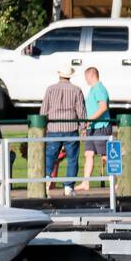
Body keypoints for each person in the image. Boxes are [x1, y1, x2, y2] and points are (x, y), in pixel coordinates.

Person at [41, 65, 85, 196]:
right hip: (70, 127)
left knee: (50, 156)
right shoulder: (76, 90)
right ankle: (68, 187)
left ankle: (47, 179)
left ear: (59, 74)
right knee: (72, 158)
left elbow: (44, 110)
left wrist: (42, 127)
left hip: (53, 127)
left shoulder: (50, 89)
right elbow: (81, 111)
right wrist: (83, 128)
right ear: (70, 75)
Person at [75, 67, 111, 192]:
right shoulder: (93, 90)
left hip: (101, 126)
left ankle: (119, 181)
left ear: (91, 75)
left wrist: (89, 120)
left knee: (105, 156)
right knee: (88, 154)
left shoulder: (99, 89)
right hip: (92, 128)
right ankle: (85, 183)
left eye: (86, 77)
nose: (85, 80)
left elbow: (103, 107)